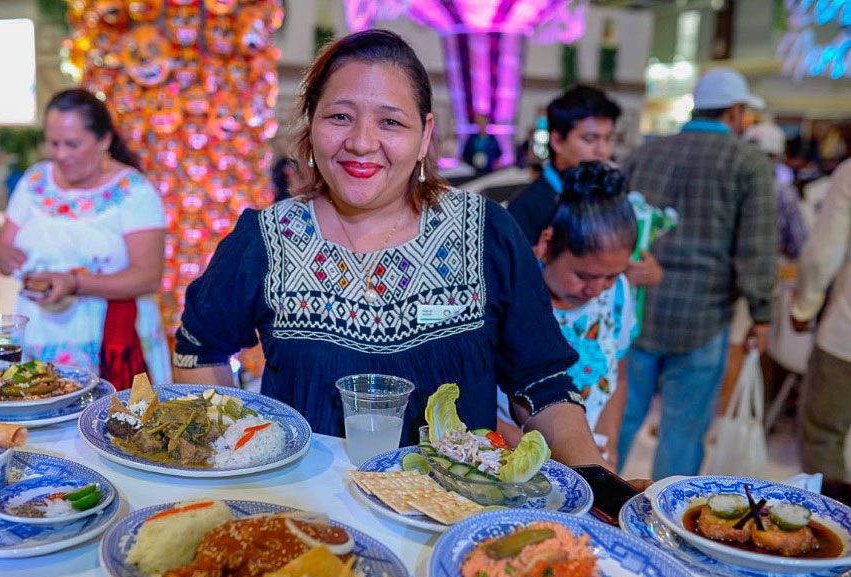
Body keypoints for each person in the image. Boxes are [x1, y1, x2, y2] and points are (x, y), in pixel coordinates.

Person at [173, 30, 604, 467]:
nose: (361, 142)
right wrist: (233, 458)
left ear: (424, 135)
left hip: (448, 520)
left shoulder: (487, 233)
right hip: (310, 519)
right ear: (311, 122)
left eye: (391, 122)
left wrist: (599, 480)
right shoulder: (266, 238)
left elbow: (543, 381)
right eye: (340, 117)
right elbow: (198, 349)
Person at [617, 68, 777, 478]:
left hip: (637, 306)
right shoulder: (750, 162)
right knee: (683, 432)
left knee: (618, 419)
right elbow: (755, 248)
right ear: (736, 111)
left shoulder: (646, 152)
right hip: (704, 313)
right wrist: (761, 314)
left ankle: (598, 507)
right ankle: (667, 523)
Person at [0, 89, 172, 388]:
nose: (60, 154)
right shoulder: (34, 182)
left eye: (72, 144)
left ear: (104, 140)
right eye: (54, 143)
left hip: (113, 341)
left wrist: (74, 283)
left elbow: (148, 277)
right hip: (40, 335)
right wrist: (2, 255)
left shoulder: (134, 191)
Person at [507, 85, 662, 287]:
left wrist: (650, 272)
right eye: (590, 139)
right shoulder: (527, 206)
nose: (602, 150)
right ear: (557, 141)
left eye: (608, 138)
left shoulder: (612, 197)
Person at [538, 162, 639, 467]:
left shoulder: (618, 292)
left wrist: (606, 447)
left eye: (610, 276)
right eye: (583, 275)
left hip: (593, 460)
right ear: (546, 245)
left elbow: (617, 376)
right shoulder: (519, 292)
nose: (596, 290)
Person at [791, 157, 851, 503]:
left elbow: (823, 253)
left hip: (845, 338)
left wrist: (805, 305)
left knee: (824, 438)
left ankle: (837, 543)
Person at [744, 121, 807, 259]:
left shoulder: (731, 185)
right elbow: (799, 242)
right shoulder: (784, 192)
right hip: (771, 264)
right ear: (775, 156)